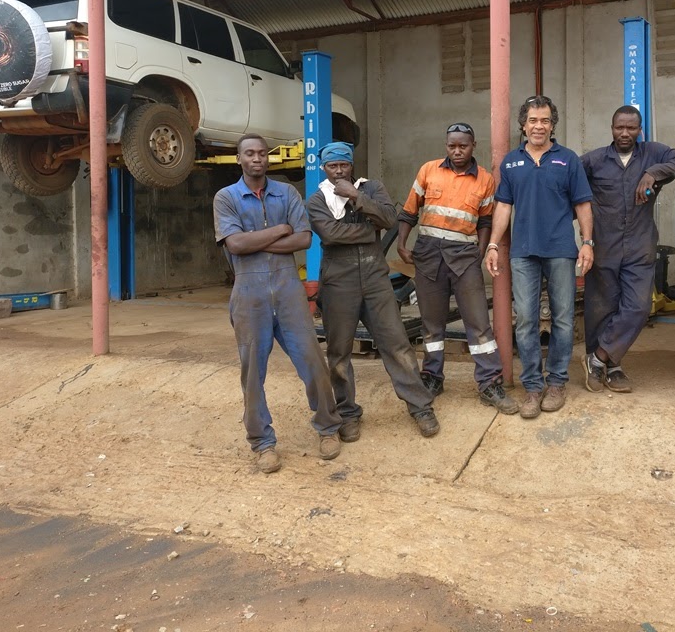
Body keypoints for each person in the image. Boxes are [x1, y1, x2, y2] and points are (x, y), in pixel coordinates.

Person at [213, 133, 343, 474]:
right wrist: (280, 230)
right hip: (249, 294)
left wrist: (255, 241)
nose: (257, 158)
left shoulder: (286, 193)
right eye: (249, 153)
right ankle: (262, 443)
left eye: (262, 153)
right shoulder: (226, 197)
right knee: (252, 372)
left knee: (312, 360)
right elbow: (235, 245)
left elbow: (304, 239)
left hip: (288, 291)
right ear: (239, 159)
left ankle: (328, 428)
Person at [306, 142, 440, 440]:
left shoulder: (371, 188)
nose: (338, 171)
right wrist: (369, 230)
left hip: (375, 278)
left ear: (351, 165)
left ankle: (420, 407)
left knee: (397, 344)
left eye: (343, 165)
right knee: (339, 352)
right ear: (324, 168)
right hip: (338, 281)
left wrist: (356, 196)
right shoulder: (317, 199)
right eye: (332, 166)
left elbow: (390, 220)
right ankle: (347, 412)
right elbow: (330, 234)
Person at [397, 122, 519, 415]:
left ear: (473, 146)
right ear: (446, 146)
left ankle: (489, 383)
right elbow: (410, 211)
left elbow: (486, 220)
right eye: (452, 146)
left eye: (463, 146)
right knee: (431, 323)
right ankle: (432, 377)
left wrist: (480, 251)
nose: (457, 151)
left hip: (464, 258)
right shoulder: (428, 170)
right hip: (429, 255)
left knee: (478, 323)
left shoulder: (485, 180)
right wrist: (401, 244)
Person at [485, 96, 594, 419]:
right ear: (523, 124)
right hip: (523, 252)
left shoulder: (568, 160)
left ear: (552, 124)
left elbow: (583, 204)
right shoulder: (511, 163)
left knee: (563, 318)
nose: (539, 126)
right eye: (533, 120)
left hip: (561, 249)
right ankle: (533, 387)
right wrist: (493, 244)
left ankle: (557, 382)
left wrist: (587, 242)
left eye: (545, 120)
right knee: (526, 320)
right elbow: (503, 207)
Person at [580, 105, 675, 392]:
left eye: (631, 128)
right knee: (601, 309)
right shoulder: (594, 160)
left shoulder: (653, 153)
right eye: (619, 127)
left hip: (639, 246)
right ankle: (612, 367)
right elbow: (570, 187)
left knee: (638, 307)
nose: (625, 133)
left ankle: (599, 358)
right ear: (611, 128)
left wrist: (654, 172)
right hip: (604, 246)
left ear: (639, 130)